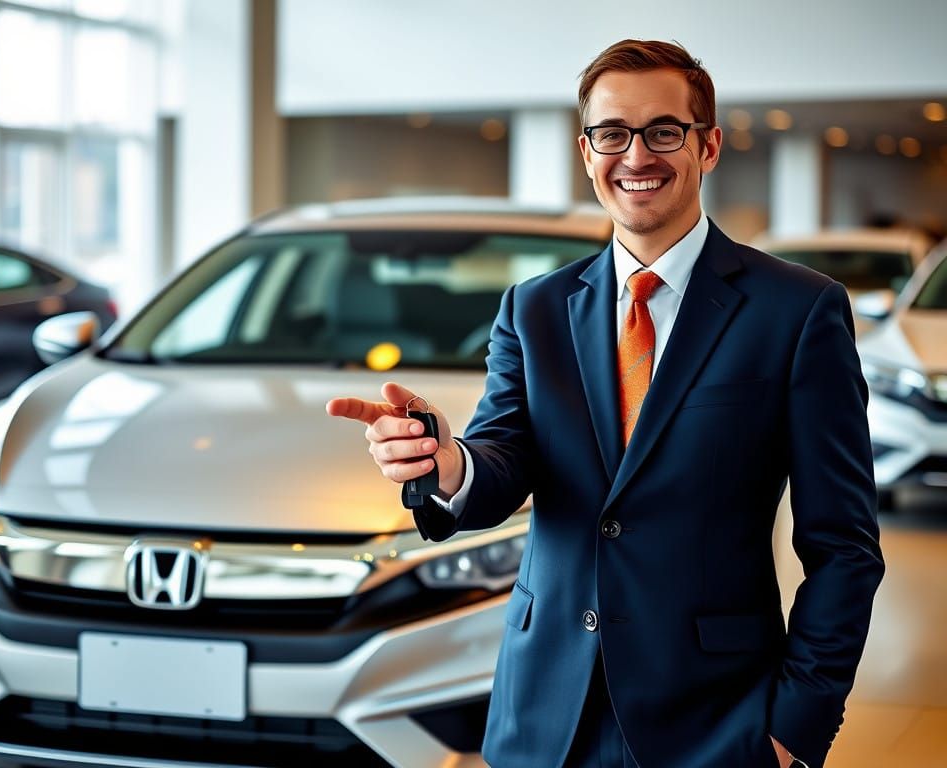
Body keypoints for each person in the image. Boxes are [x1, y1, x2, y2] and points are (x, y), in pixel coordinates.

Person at [327, 39, 884, 768]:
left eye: (663, 131)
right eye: (612, 134)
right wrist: (446, 461)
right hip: (545, 715)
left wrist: (792, 732)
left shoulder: (798, 312)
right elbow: (504, 457)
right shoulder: (534, 308)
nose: (636, 156)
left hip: (716, 721)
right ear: (587, 152)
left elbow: (843, 548)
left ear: (708, 145)